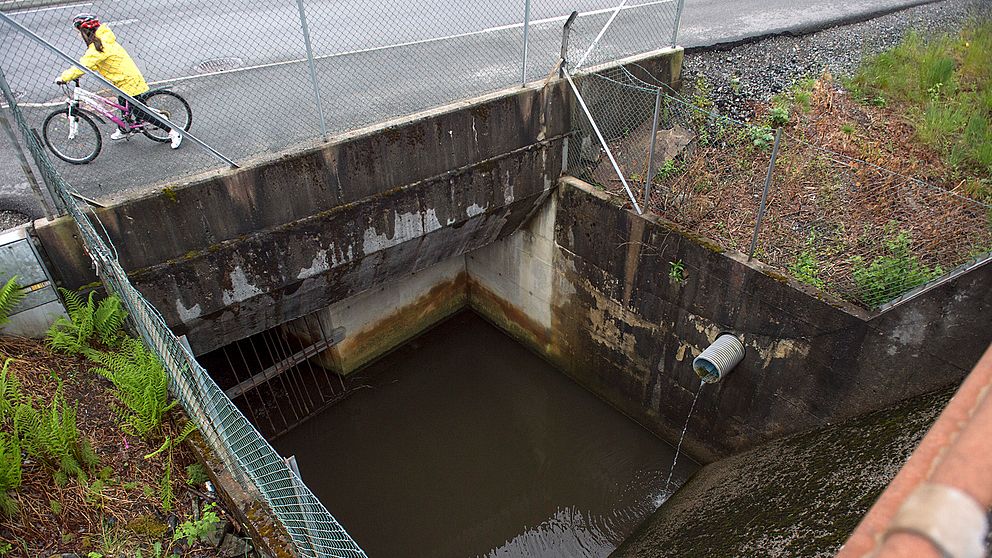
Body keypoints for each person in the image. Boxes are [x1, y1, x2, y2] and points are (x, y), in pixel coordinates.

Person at [57, 13, 182, 149]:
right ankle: (124, 129)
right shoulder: (102, 40)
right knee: (123, 105)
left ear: (85, 32)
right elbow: (89, 63)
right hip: (123, 81)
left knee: (140, 112)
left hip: (128, 82)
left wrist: (64, 77)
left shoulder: (99, 47)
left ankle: (173, 131)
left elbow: (84, 64)